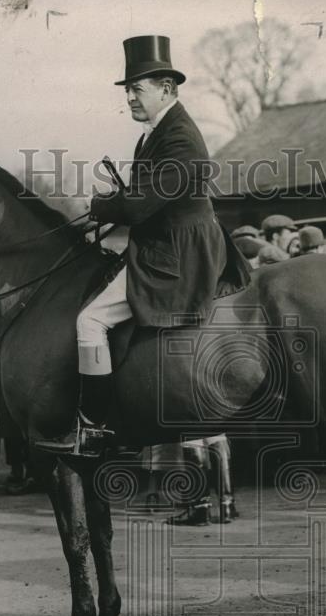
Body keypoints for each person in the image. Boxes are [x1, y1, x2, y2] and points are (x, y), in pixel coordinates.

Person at [35, 35, 250, 456]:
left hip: (178, 254)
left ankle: (94, 428)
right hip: (164, 243)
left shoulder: (180, 138)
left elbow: (138, 205)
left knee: (90, 321)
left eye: (137, 88)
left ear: (167, 89)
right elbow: (143, 198)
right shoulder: (157, 133)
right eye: (128, 89)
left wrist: (95, 204)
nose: (130, 97)